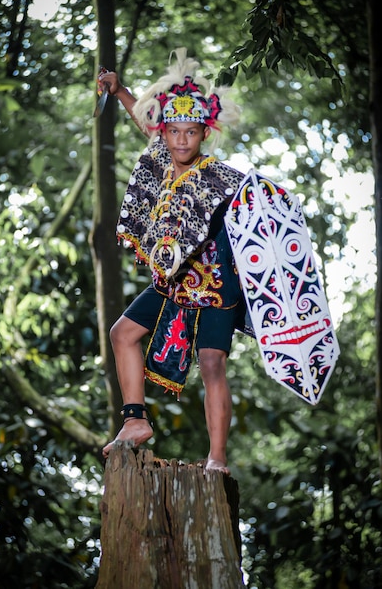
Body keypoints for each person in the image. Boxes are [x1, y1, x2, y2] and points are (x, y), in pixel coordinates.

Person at [98, 49, 253, 473]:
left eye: (191, 132)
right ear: (163, 133)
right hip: (174, 282)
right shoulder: (161, 160)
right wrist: (120, 89)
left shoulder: (222, 176)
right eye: (174, 132)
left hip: (216, 285)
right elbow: (140, 117)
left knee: (211, 364)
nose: (182, 140)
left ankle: (217, 459)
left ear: (205, 133)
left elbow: (259, 210)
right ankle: (135, 420)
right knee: (122, 334)